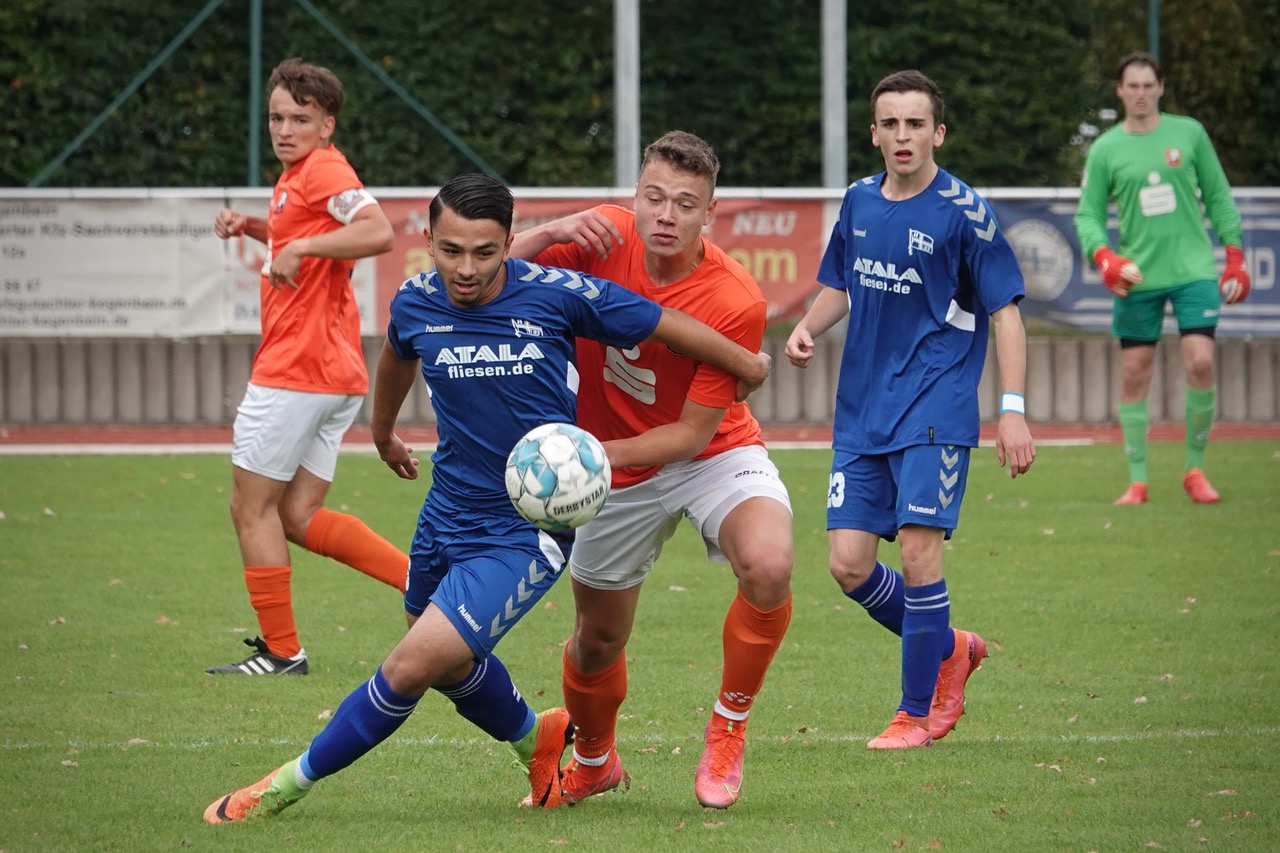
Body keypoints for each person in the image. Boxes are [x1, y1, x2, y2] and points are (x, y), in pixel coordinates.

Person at [203, 172, 774, 822]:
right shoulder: (417, 299)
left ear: (509, 242)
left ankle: (285, 784)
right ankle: (538, 738)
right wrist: (383, 431)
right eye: (450, 251)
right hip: (445, 510)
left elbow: (666, 323)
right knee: (444, 658)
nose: (465, 268)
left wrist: (747, 362)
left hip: (524, 529)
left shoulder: (558, 295)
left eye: (483, 252)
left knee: (412, 664)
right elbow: (396, 356)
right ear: (428, 240)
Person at [508, 130, 793, 809]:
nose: (666, 215)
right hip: (609, 465)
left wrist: (587, 458)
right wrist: (544, 231)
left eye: (685, 204)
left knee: (771, 562)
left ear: (709, 214)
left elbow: (691, 432)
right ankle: (594, 759)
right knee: (596, 639)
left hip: (711, 453)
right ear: (634, 195)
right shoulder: (599, 239)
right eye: (654, 197)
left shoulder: (736, 298)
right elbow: (497, 277)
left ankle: (728, 723)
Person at [784, 70, 1035, 750]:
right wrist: (810, 325)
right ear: (874, 133)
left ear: (938, 133)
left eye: (915, 123)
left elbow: (1007, 314)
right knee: (848, 563)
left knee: (921, 554)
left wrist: (1011, 408)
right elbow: (842, 281)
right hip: (863, 408)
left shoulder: (965, 212)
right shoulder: (860, 201)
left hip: (936, 403)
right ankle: (949, 647)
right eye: (890, 124)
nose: (902, 135)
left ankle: (915, 713)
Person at [207, 58, 408, 677]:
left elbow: (377, 232)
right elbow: (305, 232)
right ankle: (423, 582)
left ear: (328, 125)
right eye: (276, 116)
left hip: (296, 369)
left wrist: (300, 245)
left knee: (251, 509)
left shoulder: (323, 168)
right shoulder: (297, 177)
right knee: (295, 516)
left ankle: (282, 651)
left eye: (300, 117)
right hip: (334, 373)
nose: (284, 128)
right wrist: (257, 228)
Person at [1073, 51, 1250, 506]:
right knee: (1134, 373)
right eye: (1132, 86)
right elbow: (1088, 215)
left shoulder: (1188, 133)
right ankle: (1137, 481)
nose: (1141, 94)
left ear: (1161, 88)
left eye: (1148, 85)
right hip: (1138, 277)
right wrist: (1105, 258)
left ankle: (1195, 469)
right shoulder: (1106, 148)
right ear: (1119, 91)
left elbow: (1219, 196)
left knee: (1200, 362)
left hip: (1193, 271)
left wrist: (1233, 256)